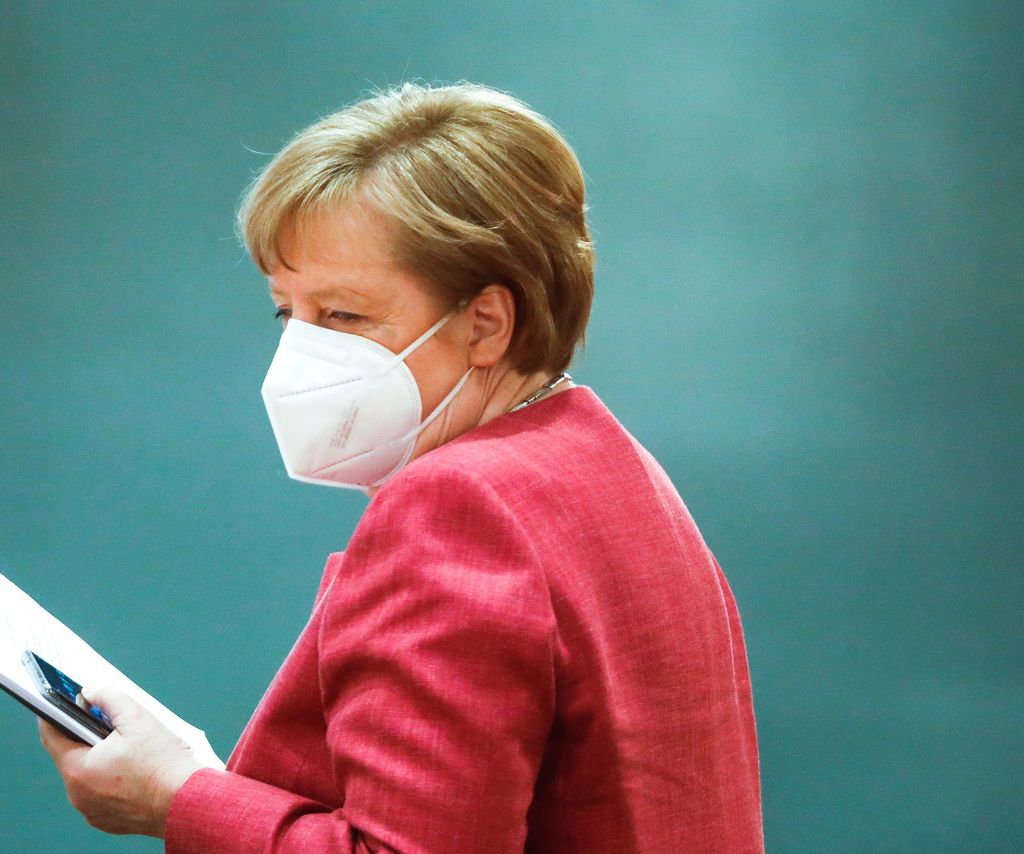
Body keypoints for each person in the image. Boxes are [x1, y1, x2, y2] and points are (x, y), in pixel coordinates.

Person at [39, 81, 765, 853]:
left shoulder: (457, 506)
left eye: (345, 315)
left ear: (487, 323)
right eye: (289, 312)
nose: (303, 354)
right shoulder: (605, 463)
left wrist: (176, 798)